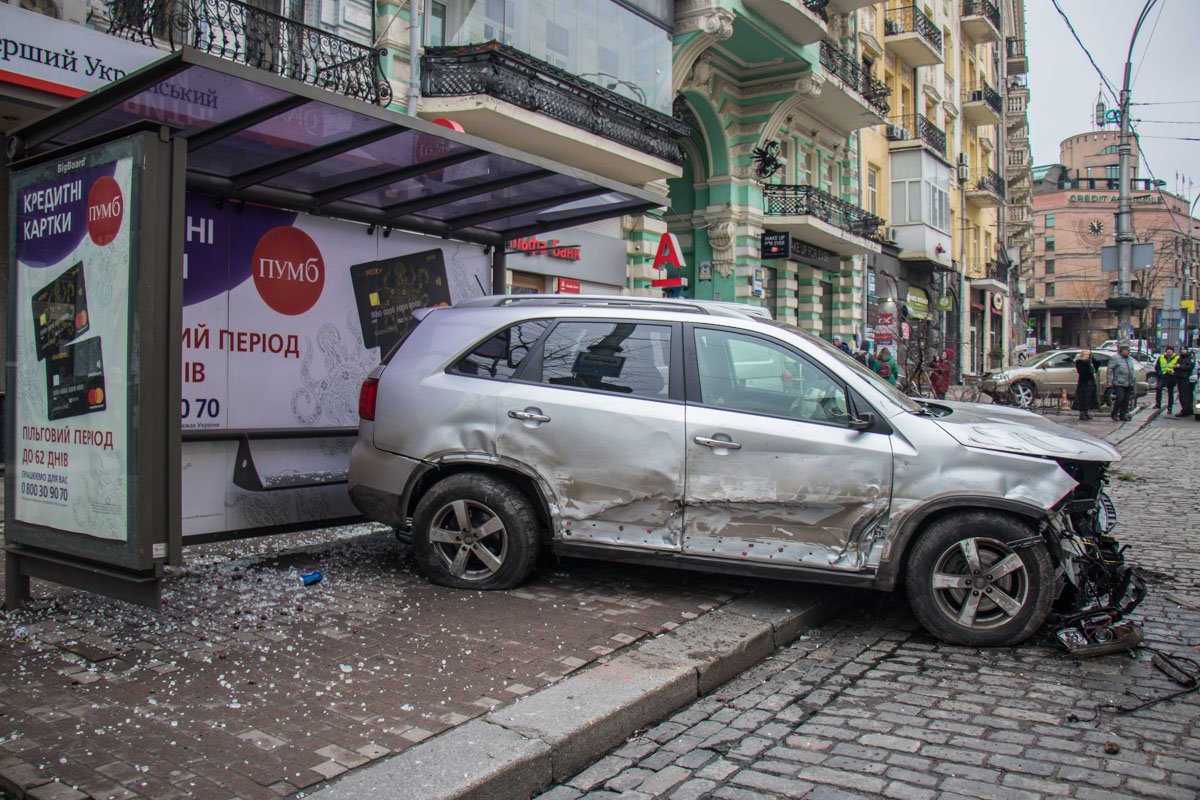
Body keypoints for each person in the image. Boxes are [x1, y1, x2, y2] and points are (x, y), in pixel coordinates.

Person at [1107, 344, 1138, 422]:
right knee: (1120, 398)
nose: (1128, 352)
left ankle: (1123, 415)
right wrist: (1109, 381)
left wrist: (1133, 380)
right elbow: (1109, 370)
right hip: (1119, 382)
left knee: (1126, 400)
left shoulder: (1129, 359)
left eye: (1129, 350)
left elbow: (1131, 370)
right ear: (1122, 351)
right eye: (1127, 350)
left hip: (1129, 382)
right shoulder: (1115, 358)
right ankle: (1114, 413)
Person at [1072, 349, 1100, 420]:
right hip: (1083, 382)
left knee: (1089, 398)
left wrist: (1092, 359)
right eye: (1086, 355)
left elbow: (1097, 364)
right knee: (1083, 398)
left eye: (1088, 355)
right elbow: (1083, 371)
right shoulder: (1079, 362)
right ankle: (1082, 413)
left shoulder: (1090, 361)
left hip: (1090, 381)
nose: (1087, 356)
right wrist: (1087, 363)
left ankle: (1086, 412)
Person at [1154, 346, 1179, 413]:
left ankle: (1170, 407)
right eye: (1168, 350)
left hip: (1171, 377)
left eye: (1170, 351)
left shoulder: (1177, 358)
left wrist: (1174, 372)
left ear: (1172, 351)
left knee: (1170, 393)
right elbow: (1157, 367)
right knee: (1159, 388)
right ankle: (1158, 404)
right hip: (1162, 376)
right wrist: (1159, 373)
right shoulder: (1161, 357)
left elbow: (1178, 368)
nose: (1169, 352)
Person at [1174, 348, 1196, 418]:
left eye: (1184, 349)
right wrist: (1175, 367)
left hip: (1186, 379)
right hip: (1179, 378)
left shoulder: (1190, 358)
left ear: (1187, 350)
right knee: (1182, 395)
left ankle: (1186, 410)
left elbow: (1190, 367)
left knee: (1185, 395)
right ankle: (1186, 409)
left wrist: (1181, 366)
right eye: (1181, 349)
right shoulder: (1180, 358)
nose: (1182, 351)